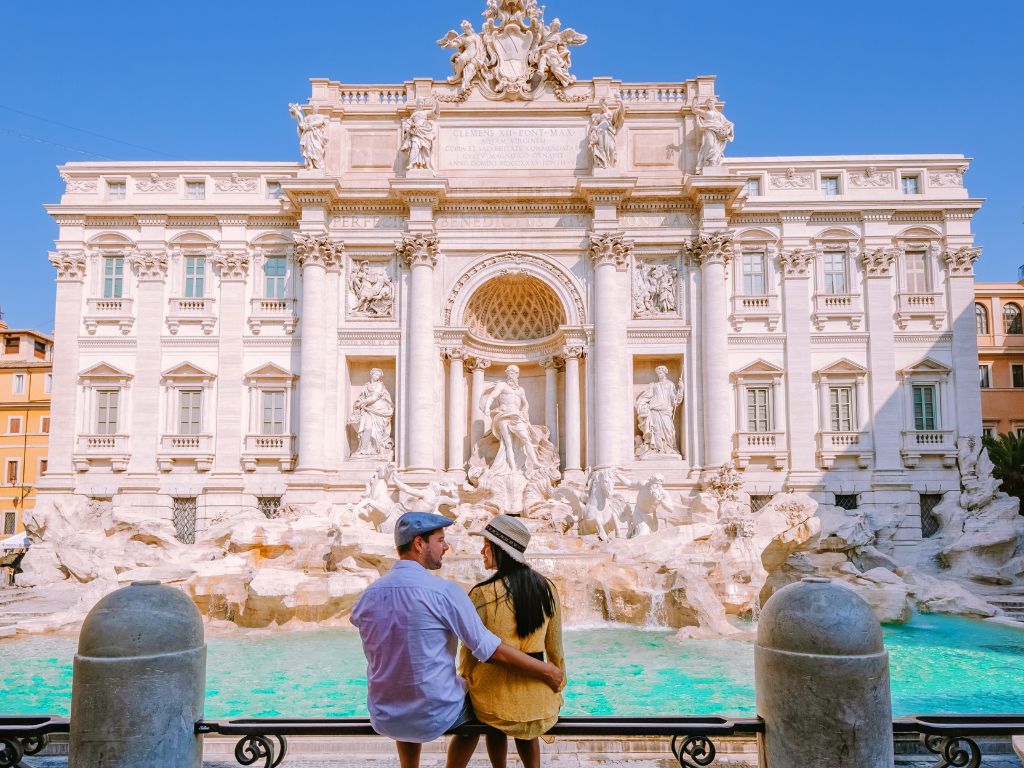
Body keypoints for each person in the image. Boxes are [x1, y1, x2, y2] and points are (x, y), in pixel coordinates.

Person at [351, 511, 563, 768]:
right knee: (469, 715)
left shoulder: (368, 595)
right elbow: (487, 648)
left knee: (415, 687)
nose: (447, 546)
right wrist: (548, 672)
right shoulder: (444, 592)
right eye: (440, 540)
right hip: (436, 713)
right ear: (419, 544)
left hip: (385, 713)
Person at [451, 515, 565, 768]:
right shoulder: (548, 588)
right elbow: (555, 649)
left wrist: (466, 675)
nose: (482, 550)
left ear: (500, 549)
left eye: (486, 545)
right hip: (539, 697)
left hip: (493, 699)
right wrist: (556, 684)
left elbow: (468, 651)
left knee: (491, 713)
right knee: (522, 714)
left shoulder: (483, 593)